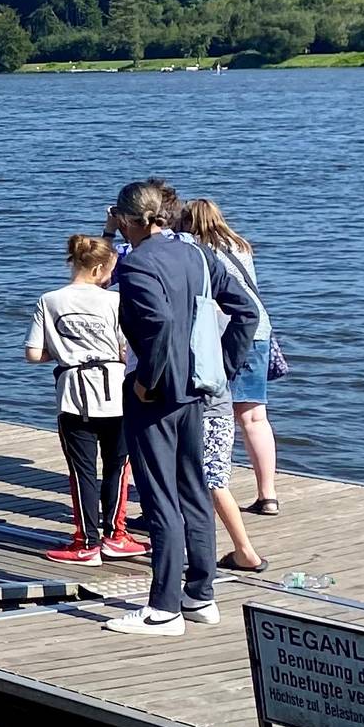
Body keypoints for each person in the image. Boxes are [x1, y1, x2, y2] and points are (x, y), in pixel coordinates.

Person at [105, 180, 258, 636]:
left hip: (157, 395)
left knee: (160, 497)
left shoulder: (136, 266)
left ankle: (164, 608)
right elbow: (246, 311)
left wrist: (150, 382)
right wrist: (224, 368)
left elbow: (158, 323)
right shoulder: (197, 253)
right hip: (198, 389)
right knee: (194, 489)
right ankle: (200, 594)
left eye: (116, 215)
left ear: (128, 219)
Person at [180, 198, 274, 570]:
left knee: (211, 418)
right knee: (255, 417)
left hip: (224, 335)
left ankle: (214, 490)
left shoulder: (198, 252)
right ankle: (268, 495)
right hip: (259, 331)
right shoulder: (240, 245)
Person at [28, 235, 131, 565]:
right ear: (100, 268)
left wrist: (62, 354)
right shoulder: (115, 302)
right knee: (117, 467)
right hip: (115, 393)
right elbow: (125, 350)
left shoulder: (49, 300)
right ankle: (116, 535)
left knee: (82, 471)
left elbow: (32, 353)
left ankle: (86, 542)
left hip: (74, 394)